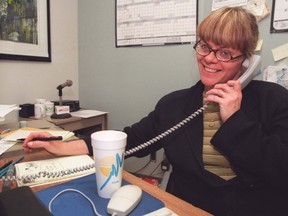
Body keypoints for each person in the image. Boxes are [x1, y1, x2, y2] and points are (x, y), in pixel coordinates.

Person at [23, 7, 288, 215]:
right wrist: (59, 146)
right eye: (205, 46)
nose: (208, 58)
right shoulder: (175, 105)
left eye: (225, 53)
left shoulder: (274, 99)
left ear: (246, 61)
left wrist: (235, 120)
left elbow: (281, 171)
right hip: (184, 209)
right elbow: (129, 140)